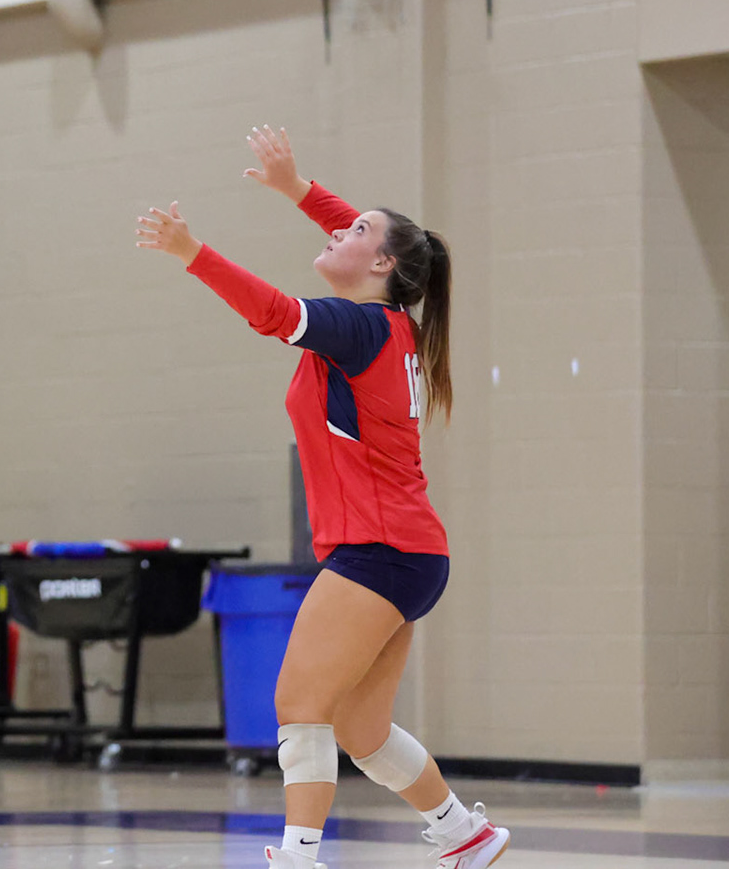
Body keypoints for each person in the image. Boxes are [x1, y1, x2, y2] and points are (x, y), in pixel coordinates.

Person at [136, 127, 509, 869]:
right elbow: (369, 236)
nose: (339, 230)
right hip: (410, 553)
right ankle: (463, 834)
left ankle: (300, 858)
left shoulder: (356, 327)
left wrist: (193, 253)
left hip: (378, 550)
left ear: (383, 264)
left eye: (356, 231)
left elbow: (274, 313)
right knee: (361, 731)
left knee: (299, 705)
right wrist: (298, 188)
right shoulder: (390, 322)